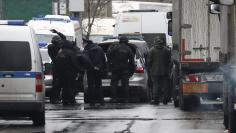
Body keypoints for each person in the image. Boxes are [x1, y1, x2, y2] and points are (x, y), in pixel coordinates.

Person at [107, 36, 135, 103]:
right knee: (125, 85)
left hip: (115, 69)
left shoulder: (115, 47)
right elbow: (131, 60)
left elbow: (108, 55)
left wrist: (111, 63)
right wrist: (132, 70)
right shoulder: (128, 49)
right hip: (125, 69)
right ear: (126, 41)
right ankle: (126, 99)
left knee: (113, 84)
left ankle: (114, 98)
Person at [147, 36, 171, 105]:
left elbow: (149, 61)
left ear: (155, 43)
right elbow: (169, 61)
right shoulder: (167, 50)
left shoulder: (151, 50)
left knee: (156, 85)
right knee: (165, 86)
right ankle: (165, 100)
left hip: (155, 71)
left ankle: (156, 100)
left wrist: (149, 69)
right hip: (165, 71)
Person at [82, 38, 106, 106]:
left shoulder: (86, 50)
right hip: (98, 69)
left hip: (90, 70)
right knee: (98, 85)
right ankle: (101, 101)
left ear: (86, 43)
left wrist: (88, 67)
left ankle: (92, 101)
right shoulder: (99, 48)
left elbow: (85, 60)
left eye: (83, 43)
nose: (82, 45)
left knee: (91, 85)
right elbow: (103, 59)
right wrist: (102, 68)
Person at [48, 35, 62, 104]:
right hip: (57, 67)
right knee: (57, 84)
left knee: (56, 83)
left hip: (55, 67)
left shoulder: (50, 46)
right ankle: (54, 98)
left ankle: (55, 97)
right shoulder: (54, 47)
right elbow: (56, 58)